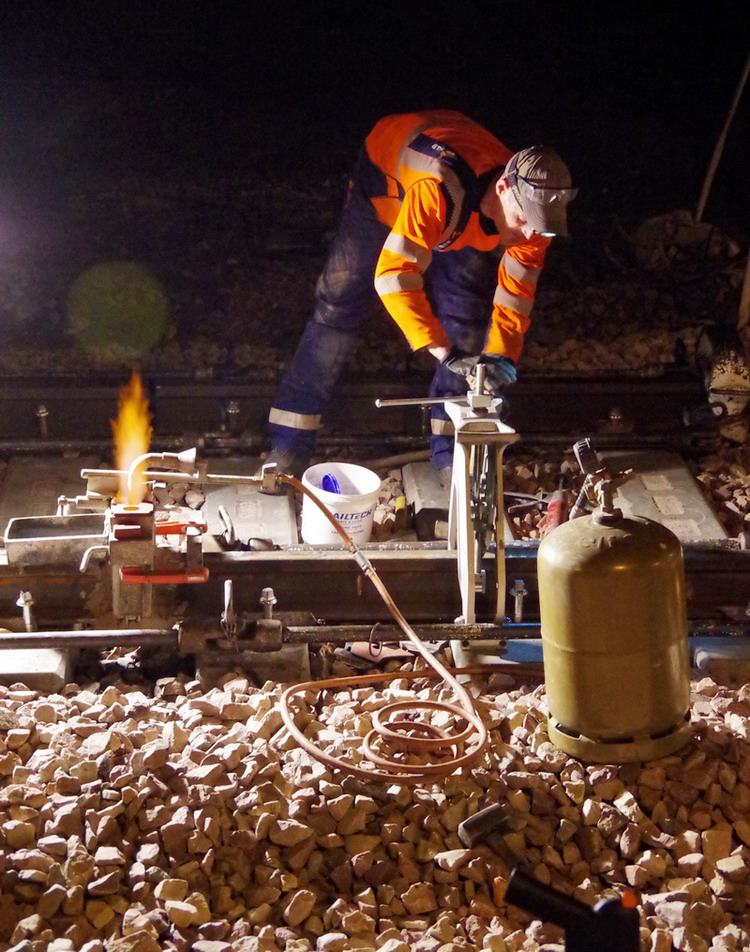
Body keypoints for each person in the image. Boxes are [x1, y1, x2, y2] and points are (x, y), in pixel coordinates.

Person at [263, 109, 576, 482]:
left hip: (459, 203)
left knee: (465, 316)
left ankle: (451, 454)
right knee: (338, 305)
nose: (530, 236)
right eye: (524, 221)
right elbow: (393, 277)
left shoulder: (535, 217)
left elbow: (516, 294)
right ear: (504, 189)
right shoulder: (439, 191)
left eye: (541, 228)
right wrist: (446, 353)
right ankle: (289, 444)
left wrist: (500, 355)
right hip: (386, 183)